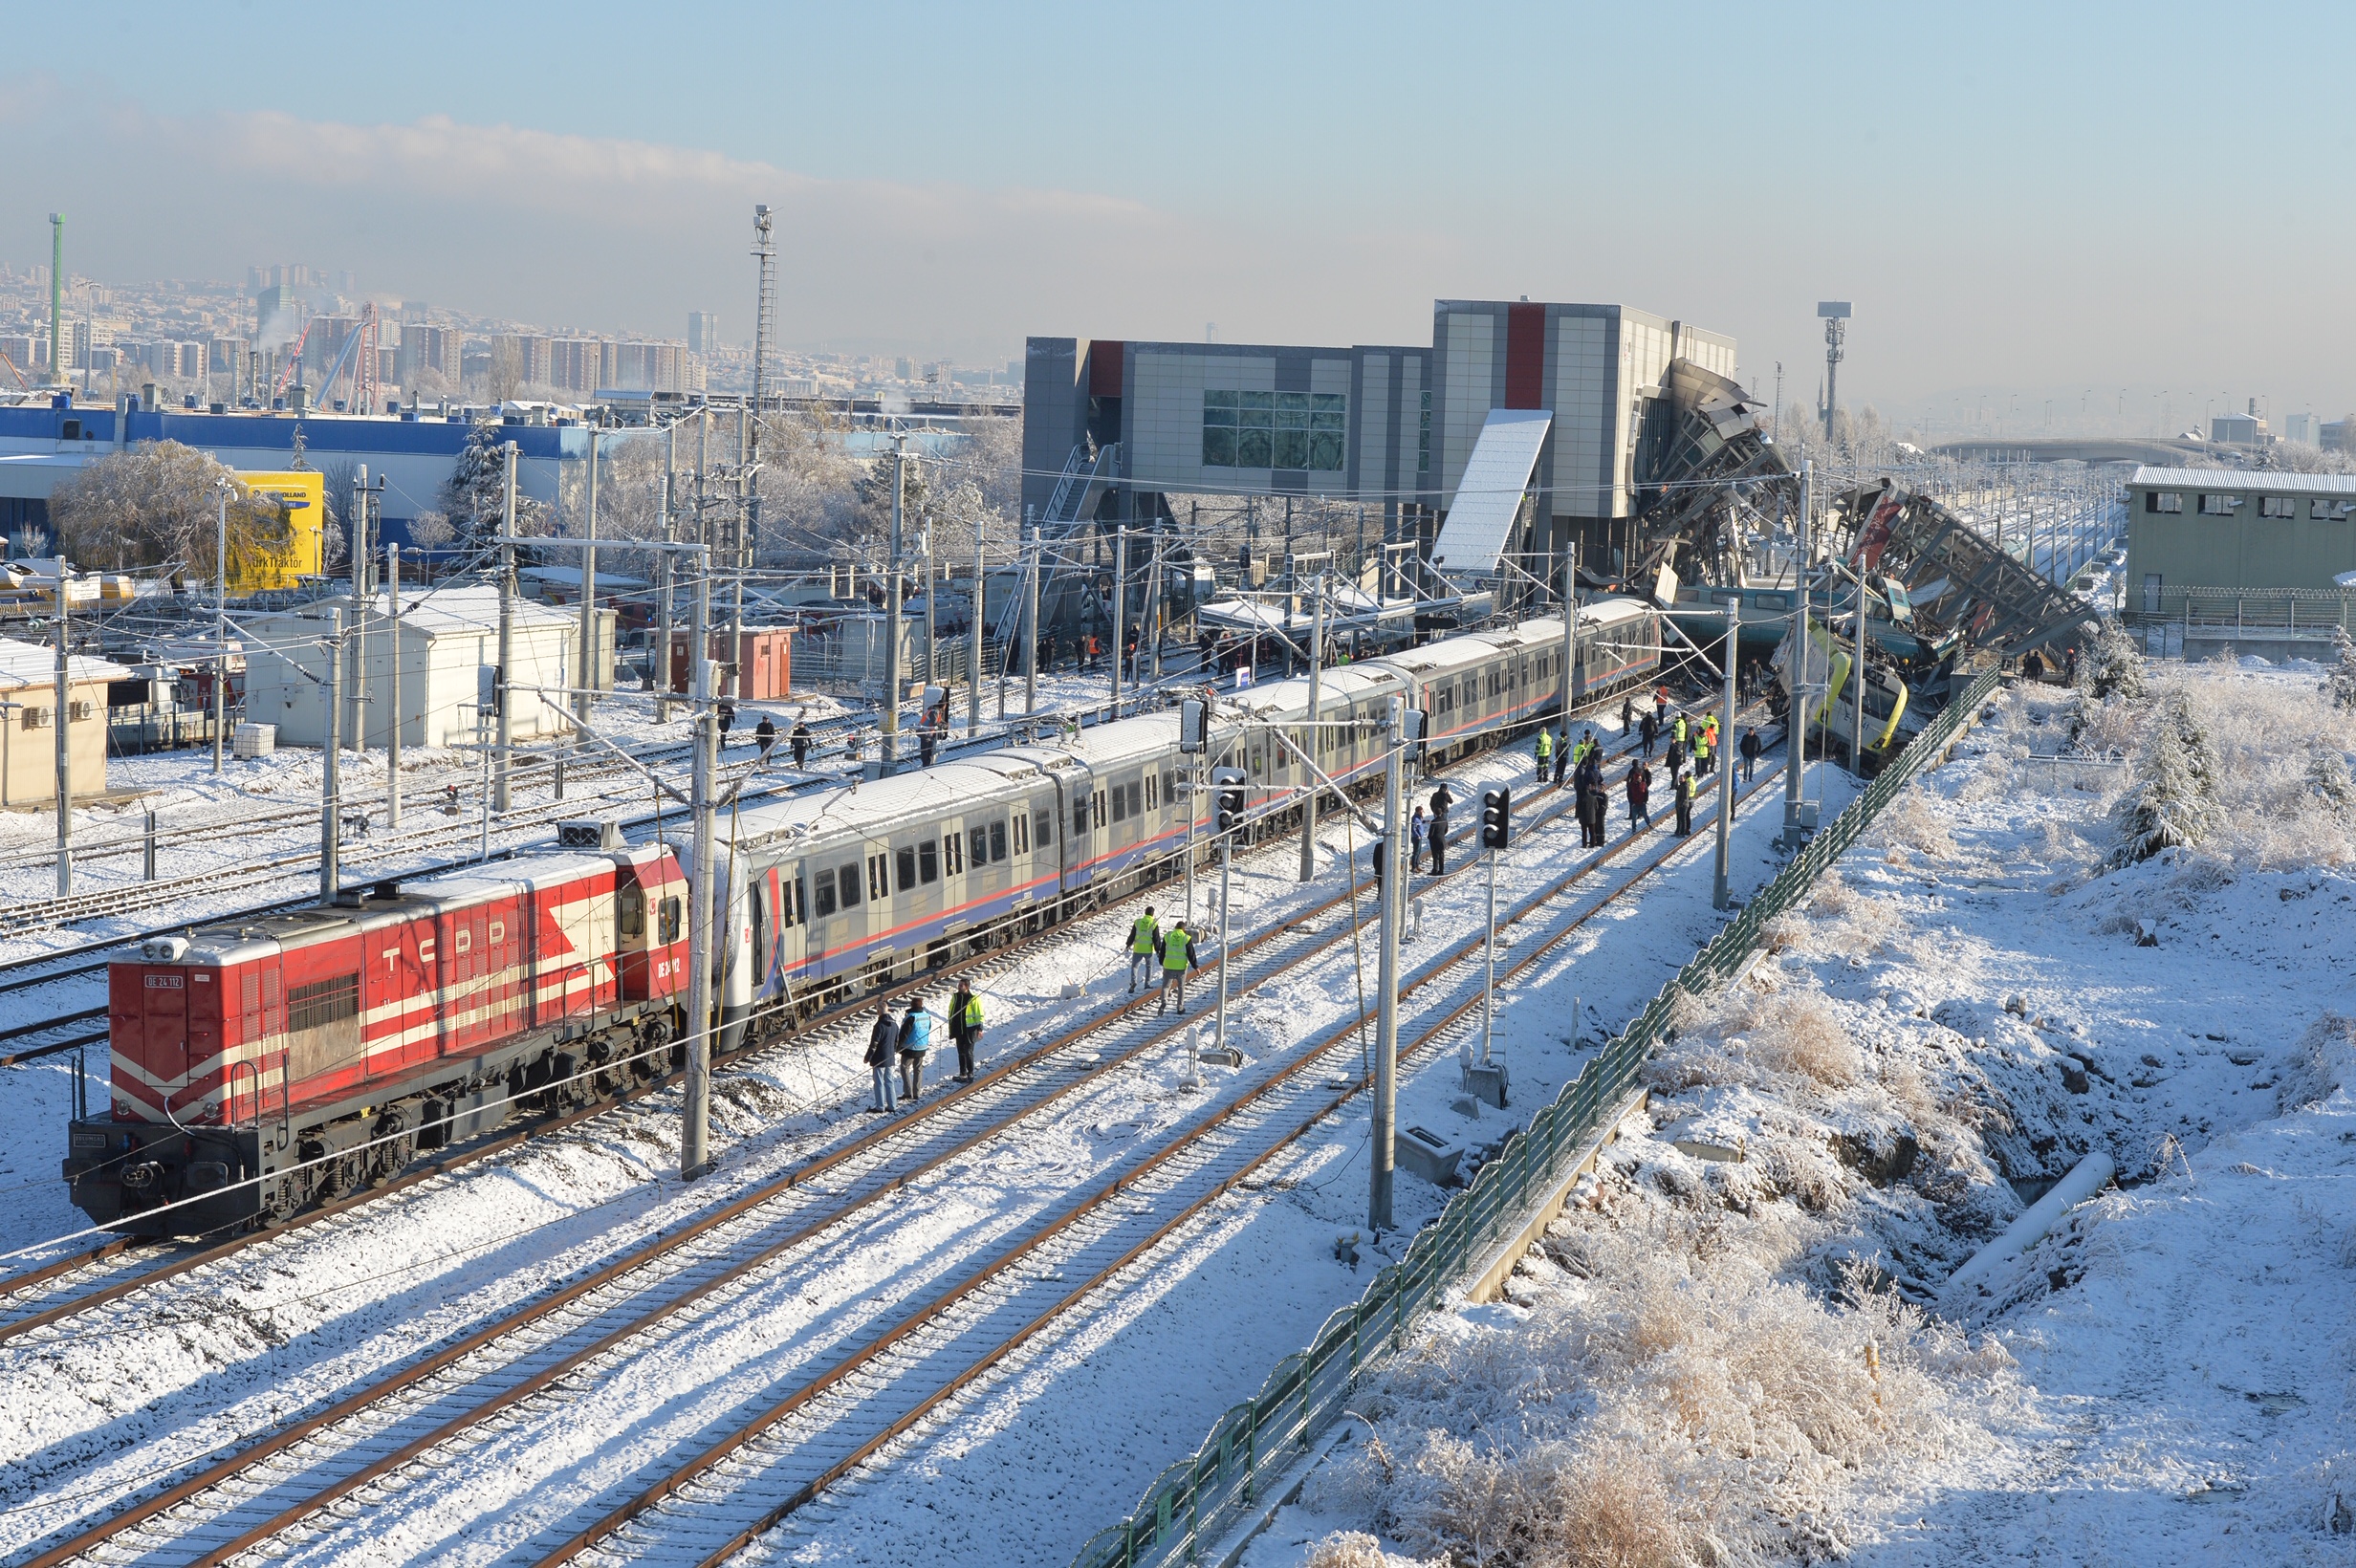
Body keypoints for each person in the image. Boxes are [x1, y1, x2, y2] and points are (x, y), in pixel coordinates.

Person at [898, 995, 933, 1101]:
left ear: (911, 1005)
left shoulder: (911, 1017)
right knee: (918, 1069)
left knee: (904, 1068)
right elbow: (928, 1028)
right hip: (922, 1047)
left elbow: (904, 1034)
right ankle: (916, 1093)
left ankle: (908, 1093)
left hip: (910, 1048)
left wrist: (898, 1047)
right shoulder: (927, 1016)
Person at [1158, 920, 1197, 1014]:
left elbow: (1162, 951)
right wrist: (1195, 966)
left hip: (1168, 965)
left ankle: (1164, 1001)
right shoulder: (1186, 938)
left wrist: (1161, 961)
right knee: (1181, 987)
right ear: (1184, 929)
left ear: (1175, 927)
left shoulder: (1168, 936)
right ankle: (1180, 1007)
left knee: (1166, 986)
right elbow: (1191, 953)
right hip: (1181, 967)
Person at [865, 1002, 899, 1113]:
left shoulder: (879, 1025)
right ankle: (892, 1105)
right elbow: (896, 1042)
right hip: (890, 1057)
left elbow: (874, 1044)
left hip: (879, 1058)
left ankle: (880, 1106)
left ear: (878, 1011)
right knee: (889, 1081)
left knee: (879, 1082)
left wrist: (868, 1057)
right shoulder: (894, 1025)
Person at [949, 978, 984, 1082]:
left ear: (967, 987)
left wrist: (980, 1029)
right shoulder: (955, 997)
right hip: (958, 1030)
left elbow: (979, 1014)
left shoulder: (973, 998)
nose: (958, 987)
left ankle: (970, 1074)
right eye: (959, 985)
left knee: (968, 1052)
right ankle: (962, 1074)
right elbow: (951, 1011)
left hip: (970, 1030)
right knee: (961, 1052)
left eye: (961, 985)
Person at [1125, 905, 1162, 994]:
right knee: (1149, 967)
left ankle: (1133, 982)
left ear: (1145, 913)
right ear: (1153, 914)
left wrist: (1128, 944)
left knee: (1134, 967)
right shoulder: (1154, 923)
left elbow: (1132, 935)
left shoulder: (1138, 922)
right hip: (1148, 950)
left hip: (1138, 948)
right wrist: (1158, 949)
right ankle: (1147, 984)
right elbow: (1156, 938)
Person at [1428, 783, 1453, 875]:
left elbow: (1431, 803)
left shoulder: (1435, 794)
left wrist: (1434, 809)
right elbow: (1451, 801)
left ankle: (1435, 869)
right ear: (1445, 789)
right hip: (1442, 838)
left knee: (1435, 856)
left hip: (1435, 840)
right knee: (1441, 855)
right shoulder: (1445, 795)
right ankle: (1441, 870)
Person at [1626, 759, 1652, 831]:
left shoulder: (1632, 772)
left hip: (1637, 801)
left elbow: (1629, 793)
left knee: (1634, 816)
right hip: (1640, 800)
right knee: (1644, 814)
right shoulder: (1641, 771)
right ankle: (1647, 823)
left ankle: (1634, 827)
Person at [1674, 768, 1694, 837]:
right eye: (1679, 779)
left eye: (1681, 779)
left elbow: (1685, 796)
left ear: (1685, 778)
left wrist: (1681, 804)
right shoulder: (1681, 785)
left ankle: (1683, 832)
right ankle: (1678, 831)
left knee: (1683, 818)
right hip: (1679, 804)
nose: (1680, 780)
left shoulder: (1686, 786)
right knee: (1679, 818)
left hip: (1684, 805)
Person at [1410, 806, 1429, 873]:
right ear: (1418, 811)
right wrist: (1417, 835)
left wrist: (1426, 821)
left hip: (1420, 837)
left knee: (1418, 852)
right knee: (1415, 852)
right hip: (1416, 838)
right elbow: (1413, 829)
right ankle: (1414, 866)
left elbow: (1420, 822)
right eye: (1421, 811)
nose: (1422, 813)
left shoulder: (1419, 818)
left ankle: (1417, 865)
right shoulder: (1415, 818)